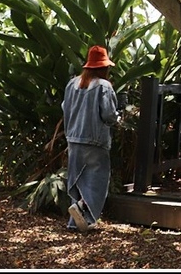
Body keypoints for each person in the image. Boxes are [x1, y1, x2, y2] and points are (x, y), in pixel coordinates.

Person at [62, 44, 119, 233]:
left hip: (73, 138)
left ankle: (75, 222)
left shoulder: (73, 83)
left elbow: (65, 108)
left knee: (78, 181)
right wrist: (120, 117)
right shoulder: (104, 86)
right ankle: (83, 213)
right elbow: (109, 115)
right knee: (96, 181)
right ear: (104, 67)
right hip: (95, 140)